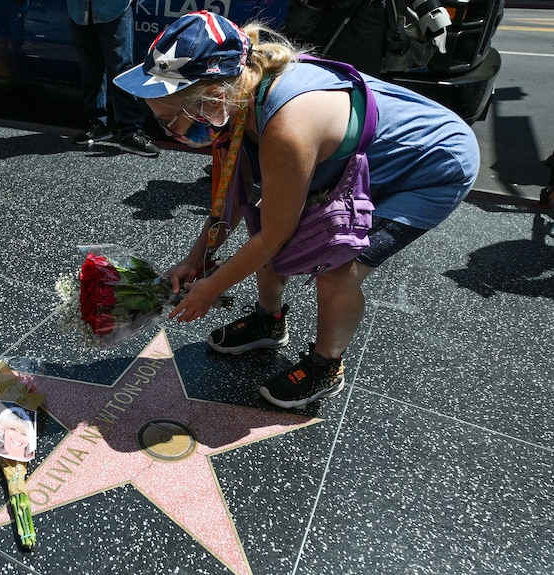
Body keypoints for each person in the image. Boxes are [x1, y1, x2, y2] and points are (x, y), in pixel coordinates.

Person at [114, 12, 479, 408]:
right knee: (264, 224)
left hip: (430, 167)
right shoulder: (239, 99)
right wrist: (196, 258)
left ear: (213, 100)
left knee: (338, 272)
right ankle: (269, 322)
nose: (170, 133)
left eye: (171, 121)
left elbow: (276, 236)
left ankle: (326, 366)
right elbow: (235, 201)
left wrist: (210, 289)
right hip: (368, 158)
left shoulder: (288, 124)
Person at [67, 0, 159, 158]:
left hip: (113, 9)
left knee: (121, 70)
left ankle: (131, 131)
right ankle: (98, 124)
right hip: (79, 11)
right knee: (90, 69)